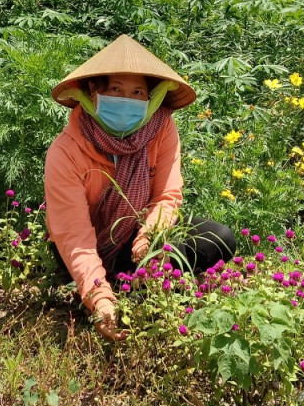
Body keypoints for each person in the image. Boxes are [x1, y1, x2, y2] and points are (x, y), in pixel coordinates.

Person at [44, 35, 235, 341]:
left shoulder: (160, 128)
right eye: (116, 90)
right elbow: (73, 234)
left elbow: (166, 196)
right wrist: (99, 298)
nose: (127, 100)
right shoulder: (66, 151)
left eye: (137, 93)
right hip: (87, 246)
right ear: (94, 92)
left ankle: (150, 298)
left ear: (151, 98)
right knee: (97, 289)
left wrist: (149, 239)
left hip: (135, 233)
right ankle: (111, 295)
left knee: (216, 238)